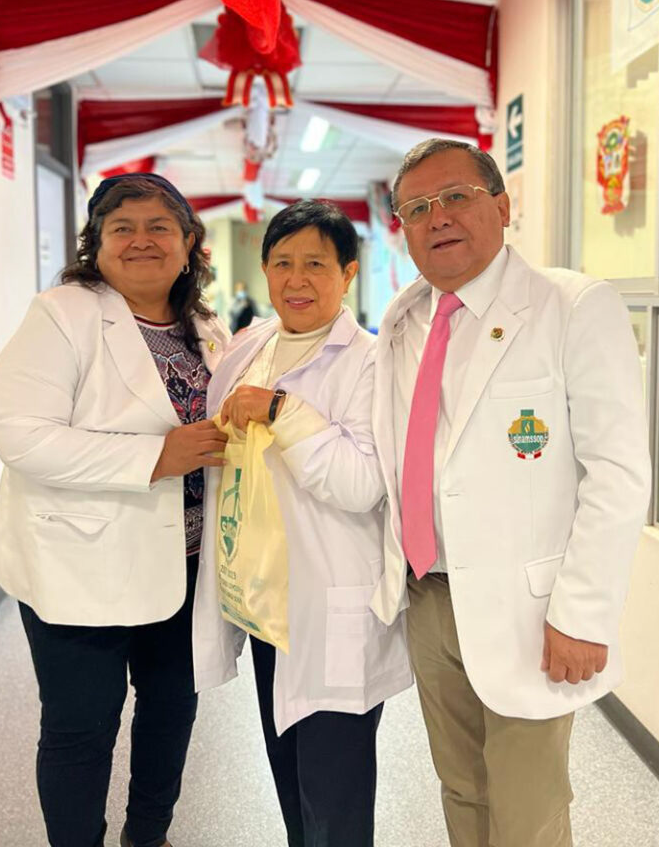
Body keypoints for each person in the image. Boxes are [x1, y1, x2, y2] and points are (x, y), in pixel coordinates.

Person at [370, 139, 651, 847]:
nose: (437, 217)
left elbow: (617, 473)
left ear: (501, 206)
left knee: (528, 809)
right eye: (416, 209)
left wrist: (583, 614)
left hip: (533, 610)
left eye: (455, 197)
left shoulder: (572, 306)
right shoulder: (404, 322)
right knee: (461, 788)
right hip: (429, 597)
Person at [0, 174, 230, 847]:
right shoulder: (63, 314)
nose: (142, 240)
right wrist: (155, 457)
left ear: (189, 242)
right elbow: (20, 435)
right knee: (81, 727)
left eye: (159, 227)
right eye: (123, 228)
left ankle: (149, 836)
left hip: (186, 561)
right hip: (81, 562)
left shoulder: (205, 326)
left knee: (172, 708)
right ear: (97, 243)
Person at [193, 200, 412, 847]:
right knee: (289, 776)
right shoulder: (252, 346)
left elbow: (362, 483)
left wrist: (282, 411)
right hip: (266, 606)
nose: (297, 279)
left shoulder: (371, 361)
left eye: (316, 264)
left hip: (333, 608)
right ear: (264, 269)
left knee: (334, 792)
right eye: (282, 262)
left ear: (348, 273)